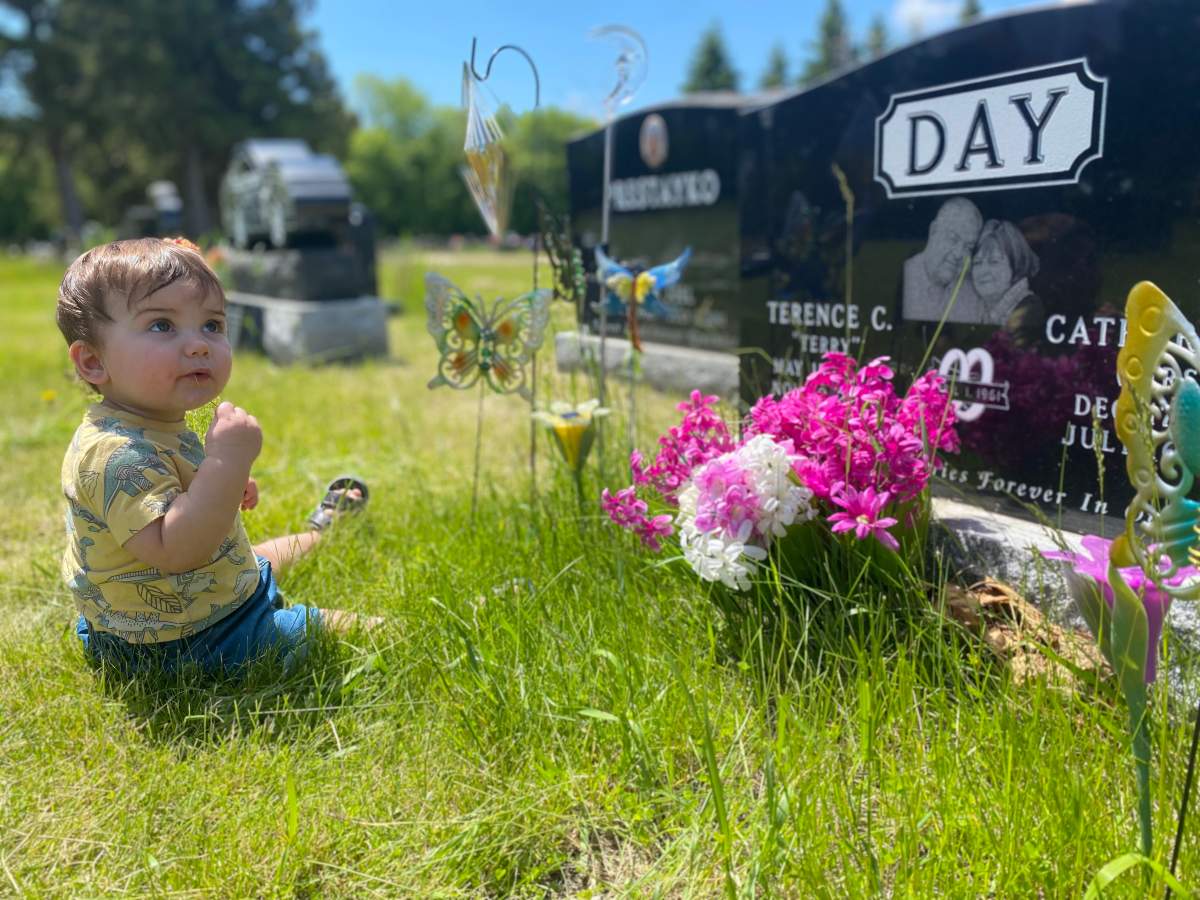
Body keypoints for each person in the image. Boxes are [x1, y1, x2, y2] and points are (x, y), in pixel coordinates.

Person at [56, 237, 376, 674]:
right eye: (162, 326)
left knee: (257, 559)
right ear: (93, 362)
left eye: (212, 325)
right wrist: (225, 465)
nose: (199, 344)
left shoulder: (153, 420)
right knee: (329, 629)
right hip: (180, 640)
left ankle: (320, 532)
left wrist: (218, 487)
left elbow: (178, 498)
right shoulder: (116, 455)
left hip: (201, 592)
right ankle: (416, 629)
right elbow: (177, 548)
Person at [902, 197, 983, 323]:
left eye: (968, 247)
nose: (958, 253)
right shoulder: (903, 278)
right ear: (933, 231)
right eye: (953, 238)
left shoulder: (973, 294)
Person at [970, 219, 1043, 337]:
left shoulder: (1029, 309)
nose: (983, 271)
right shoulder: (975, 310)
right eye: (977, 263)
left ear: (1016, 264)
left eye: (994, 262)